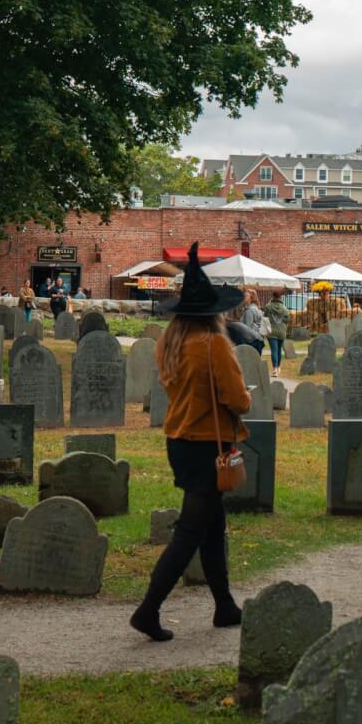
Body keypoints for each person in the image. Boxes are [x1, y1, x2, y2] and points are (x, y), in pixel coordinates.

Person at [130, 243, 251, 642]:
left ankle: (224, 606)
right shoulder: (215, 345)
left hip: (179, 440)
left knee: (213, 527)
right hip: (207, 445)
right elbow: (237, 399)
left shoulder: (171, 343)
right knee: (190, 531)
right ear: (214, 312)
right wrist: (244, 396)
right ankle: (148, 610)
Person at [263, 289, 290, 373]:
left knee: (274, 350)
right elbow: (288, 319)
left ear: (273, 296)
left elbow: (265, 318)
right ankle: (278, 367)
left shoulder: (268, 306)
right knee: (279, 350)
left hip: (272, 331)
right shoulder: (284, 308)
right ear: (280, 297)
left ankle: (274, 368)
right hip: (282, 331)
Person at [241, 289, 266, 355]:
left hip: (252, 341)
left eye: (246, 296)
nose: (243, 297)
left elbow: (247, 328)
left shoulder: (249, 310)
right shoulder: (257, 308)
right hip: (259, 339)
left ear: (251, 298)